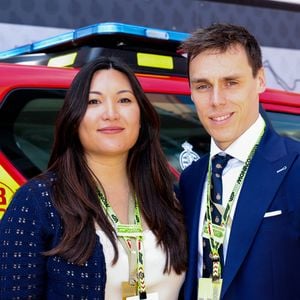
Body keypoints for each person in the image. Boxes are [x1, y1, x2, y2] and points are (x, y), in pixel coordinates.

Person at [0, 57, 187, 300]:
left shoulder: (169, 196)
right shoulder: (38, 201)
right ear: (74, 118)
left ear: (141, 117)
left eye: (124, 100)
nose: (111, 113)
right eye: (93, 101)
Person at [178, 23, 300, 300]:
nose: (216, 100)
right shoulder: (192, 179)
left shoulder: (296, 167)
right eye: (203, 86)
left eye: (231, 83)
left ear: (260, 80)